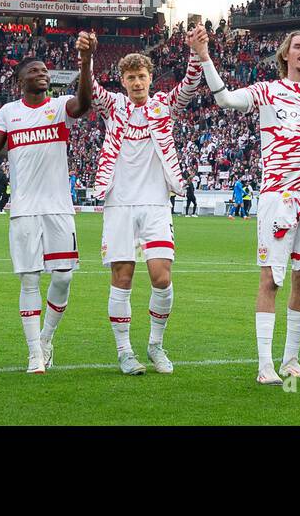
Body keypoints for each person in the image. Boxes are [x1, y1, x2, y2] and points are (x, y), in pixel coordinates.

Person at [192, 27, 300, 385]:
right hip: (280, 195)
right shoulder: (267, 91)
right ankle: (265, 364)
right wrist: (206, 57)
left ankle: (291, 360)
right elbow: (225, 100)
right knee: (271, 277)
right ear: (285, 54)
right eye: (297, 47)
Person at [0, 32, 96, 374]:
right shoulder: (8, 114)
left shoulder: (59, 107)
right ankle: (33, 354)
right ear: (20, 80)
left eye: (45, 70)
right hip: (25, 209)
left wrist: (86, 62)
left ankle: (46, 338)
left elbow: (84, 104)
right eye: (35, 71)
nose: (42, 74)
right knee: (29, 280)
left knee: (63, 278)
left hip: (58, 208)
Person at [89, 37, 203, 375]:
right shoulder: (113, 107)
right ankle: (125, 351)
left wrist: (197, 53)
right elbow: (91, 88)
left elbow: (190, 86)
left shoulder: (163, 106)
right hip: (119, 203)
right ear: (122, 81)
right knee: (122, 277)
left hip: (155, 202)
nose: (137, 83)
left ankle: (155, 344)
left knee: (161, 276)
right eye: (130, 78)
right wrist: (87, 58)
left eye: (142, 77)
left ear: (150, 78)